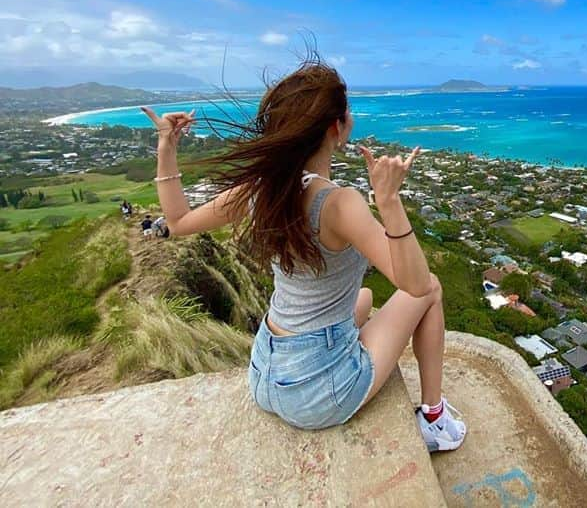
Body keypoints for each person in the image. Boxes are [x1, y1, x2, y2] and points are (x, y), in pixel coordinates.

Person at [139, 60, 465, 452]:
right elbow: (413, 284)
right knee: (431, 288)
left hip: (264, 372)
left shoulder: (263, 188)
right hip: (318, 392)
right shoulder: (340, 203)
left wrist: (166, 146)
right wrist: (390, 202)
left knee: (364, 298)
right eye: (347, 113)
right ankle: (433, 418)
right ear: (335, 129)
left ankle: (336, 351)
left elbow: (175, 221)